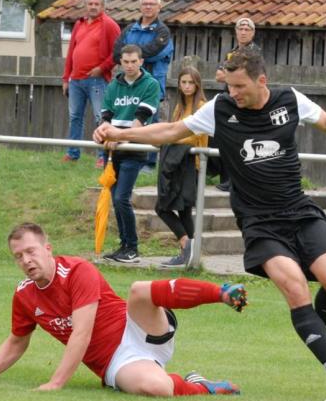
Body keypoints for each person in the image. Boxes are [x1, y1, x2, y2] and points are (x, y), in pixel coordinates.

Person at [95, 49, 326, 399]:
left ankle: (320, 331)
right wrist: (121, 134)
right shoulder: (220, 109)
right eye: (229, 85)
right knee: (295, 289)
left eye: (239, 86)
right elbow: (172, 131)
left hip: (299, 211)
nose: (232, 92)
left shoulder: (289, 100)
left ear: (261, 81)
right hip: (259, 223)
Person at [0, 222, 247, 397]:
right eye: (18, 256)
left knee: (139, 290)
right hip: (117, 361)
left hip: (137, 326)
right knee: (157, 388)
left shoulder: (77, 270)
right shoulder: (24, 294)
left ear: (47, 249)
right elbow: (17, 342)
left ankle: (221, 292)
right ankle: (203, 386)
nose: (26, 260)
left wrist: (56, 383)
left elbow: (82, 332)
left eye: (31, 251)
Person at [99, 44, 161, 264]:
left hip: (134, 148)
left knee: (121, 198)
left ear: (141, 62)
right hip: (113, 150)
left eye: (134, 61)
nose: (130, 65)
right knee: (116, 199)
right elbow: (106, 116)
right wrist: (103, 133)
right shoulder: (113, 85)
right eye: (125, 62)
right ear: (120, 62)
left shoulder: (151, 85)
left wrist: (120, 137)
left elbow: (140, 119)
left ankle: (133, 248)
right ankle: (123, 245)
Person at [112, 0, 173, 173]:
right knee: (128, 118)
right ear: (140, 6)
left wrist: (130, 53)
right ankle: (128, 157)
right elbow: (116, 53)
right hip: (129, 84)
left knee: (151, 122)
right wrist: (137, 54)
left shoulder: (163, 32)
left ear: (159, 7)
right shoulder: (130, 29)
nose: (148, 7)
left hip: (152, 83)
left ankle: (149, 162)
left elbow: (154, 52)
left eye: (152, 4)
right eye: (145, 4)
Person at [61, 0, 121, 166]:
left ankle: (103, 156)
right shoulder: (79, 24)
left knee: (100, 117)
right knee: (75, 117)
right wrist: (66, 78)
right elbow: (71, 52)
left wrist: (101, 68)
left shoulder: (109, 25)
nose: (93, 7)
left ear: (103, 7)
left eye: (96, 4)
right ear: (85, 6)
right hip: (75, 80)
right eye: (90, 4)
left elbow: (117, 53)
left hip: (97, 80)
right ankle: (72, 153)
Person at [157, 66, 208, 268]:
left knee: (176, 208)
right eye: (183, 82)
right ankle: (189, 251)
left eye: (191, 82)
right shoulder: (179, 106)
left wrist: (170, 138)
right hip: (176, 163)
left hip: (191, 164)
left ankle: (188, 249)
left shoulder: (202, 106)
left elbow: (195, 135)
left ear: (197, 85)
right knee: (174, 209)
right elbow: (173, 130)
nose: (187, 86)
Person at [211, 17, 262, 192]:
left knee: (242, 141)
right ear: (236, 31)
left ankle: (238, 180)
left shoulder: (255, 53)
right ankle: (226, 178)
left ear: (253, 33)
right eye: (240, 29)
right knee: (226, 138)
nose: (243, 32)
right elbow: (218, 76)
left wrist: (230, 75)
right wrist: (233, 76)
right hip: (230, 100)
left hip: (246, 101)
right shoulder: (231, 53)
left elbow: (246, 76)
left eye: (247, 29)